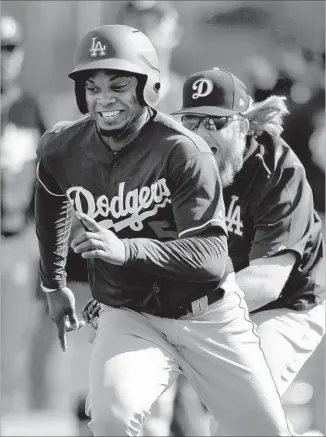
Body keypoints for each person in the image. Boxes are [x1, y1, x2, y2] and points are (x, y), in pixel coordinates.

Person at [35, 25, 294, 436]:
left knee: (266, 432)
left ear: (148, 86)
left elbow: (211, 257)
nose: (103, 99)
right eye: (92, 86)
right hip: (128, 315)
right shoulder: (62, 146)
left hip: (208, 314)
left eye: (118, 85)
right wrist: (54, 284)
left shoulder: (183, 149)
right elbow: (49, 194)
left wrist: (125, 250)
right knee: (110, 418)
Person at [170, 67, 325, 435]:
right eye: (193, 122)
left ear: (245, 125)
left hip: (286, 307)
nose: (202, 134)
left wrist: (185, 306)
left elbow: (266, 282)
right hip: (218, 303)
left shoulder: (279, 173)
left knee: (237, 416)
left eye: (215, 124)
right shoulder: (182, 164)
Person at [0, 15, 47, 415]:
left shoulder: (30, 106)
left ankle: (10, 412)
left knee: (14, 334)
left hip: (18, 241)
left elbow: (48, 176)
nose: (3, 57)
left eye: (10, 48)